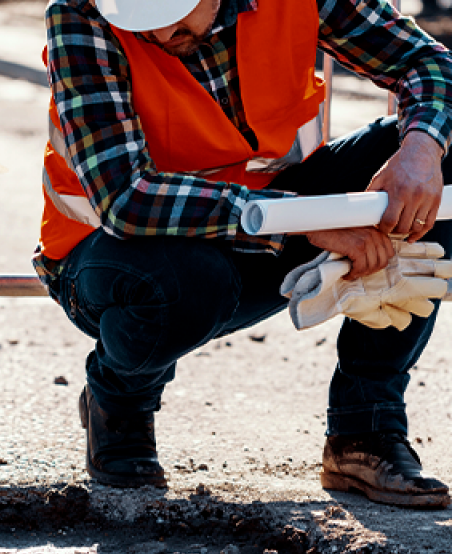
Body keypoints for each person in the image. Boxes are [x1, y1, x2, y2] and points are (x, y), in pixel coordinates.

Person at [33, 0, 452, 508]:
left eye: (174, 11)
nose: (161, 33)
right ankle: (120, 399)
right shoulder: (81, 15)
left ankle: (364, 434)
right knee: (186, 282)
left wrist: (423, 149)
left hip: (268, 229)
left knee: (435, 166)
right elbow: (125, 197)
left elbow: (427, 63)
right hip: (118, 256)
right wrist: (303, 222)